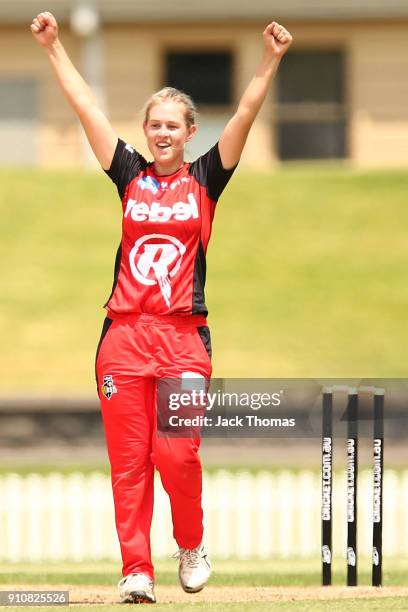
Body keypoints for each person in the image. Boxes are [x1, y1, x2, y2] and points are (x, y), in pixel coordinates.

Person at [31, 11, 292, 604]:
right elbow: (87, 109)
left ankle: (191, 545)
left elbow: (247, 114)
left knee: (176, 453)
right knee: (129, 463)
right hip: (123, 338)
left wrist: (270, 60)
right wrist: (51, 48)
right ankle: (136, 570)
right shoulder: (128, 175)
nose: (163, 132)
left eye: (173, 124)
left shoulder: (207, 178)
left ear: (191, 130)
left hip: (183, 338)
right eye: (155, 124)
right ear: (146, 132)